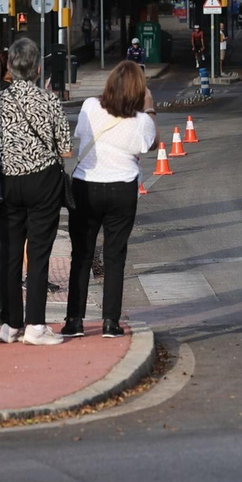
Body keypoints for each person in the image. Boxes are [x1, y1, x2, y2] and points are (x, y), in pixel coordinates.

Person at [0, 37, 72, 347]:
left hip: (6, 181)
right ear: (37, 68)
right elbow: (66, 150)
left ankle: (11, 323)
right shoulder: (50, 101)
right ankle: (35, 324)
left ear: (9, 67)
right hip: (43, 181)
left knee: (10, 253)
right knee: (38, 253)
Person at [64, 60, 156, 338]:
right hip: (122, 187)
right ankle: (110, 322)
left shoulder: (90, 106)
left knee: (81, 254)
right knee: (115, 255)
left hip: (86, 185)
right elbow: (150, 144)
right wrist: (149, 106)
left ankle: (74, 320)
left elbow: (81, 134)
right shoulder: (141, 121)